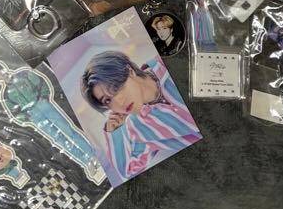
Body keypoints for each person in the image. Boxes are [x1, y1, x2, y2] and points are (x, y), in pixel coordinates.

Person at [80, 50, 200, 180]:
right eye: (107, 100)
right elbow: (127, 170)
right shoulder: (139, 126)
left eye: (115, 87)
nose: (119, 102)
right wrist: (114, 133)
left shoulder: (166, 62)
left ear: (130, 71)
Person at [0, 60, 106, 184]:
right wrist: (28, 117)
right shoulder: (6, 95)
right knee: (58, 139)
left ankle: (92, 155)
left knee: (68, 131)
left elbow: (40, 83)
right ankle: (86, 161)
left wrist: (44, 97)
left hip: (43, 105)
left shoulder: (23, 74)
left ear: (3, 67)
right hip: (34, 116)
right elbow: (15, 112)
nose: (0, 75)